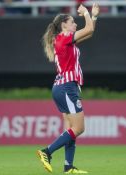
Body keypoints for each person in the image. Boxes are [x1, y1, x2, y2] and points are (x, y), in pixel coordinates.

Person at [37, 2, 100, 174]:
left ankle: (68, 167)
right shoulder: (64, 36)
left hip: (63, 87)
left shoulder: (64, 39)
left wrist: (93, 16)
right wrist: (86, 13)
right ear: (64, 25)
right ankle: (46, 152)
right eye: (72, 21)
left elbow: (89, 32)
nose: (75, 23)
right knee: (79, 128)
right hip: (67, 87)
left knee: (71, 130)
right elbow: (88, 30)